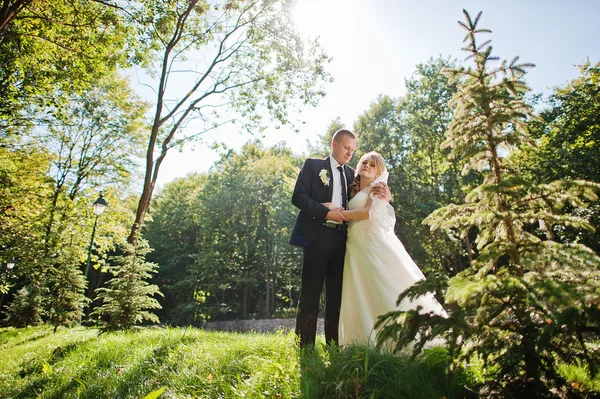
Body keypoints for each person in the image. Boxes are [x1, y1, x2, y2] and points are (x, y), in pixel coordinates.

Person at [289, 129, 391, 347]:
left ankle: (334, 345)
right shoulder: (313, 165)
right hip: (316, 237)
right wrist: (324, 211)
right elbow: (298, 197)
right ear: (334, 144)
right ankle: (304, 346)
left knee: (336, 297)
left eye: (353, 150)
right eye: (346, 148)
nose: (350, 153)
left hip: (343, 240)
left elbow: (371, 191)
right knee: (310, 293)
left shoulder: (352, 174)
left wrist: (387, 194)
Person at [336, 151, 447, 347]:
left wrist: (339, 214)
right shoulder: (352, 188)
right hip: (355, 245)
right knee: (361, 289)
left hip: (371, 243)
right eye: (364, 162)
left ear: (379, 172)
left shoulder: (378, 188)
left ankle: (402, 339)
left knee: (383, 284)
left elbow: (367, 213)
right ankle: (363, 341)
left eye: (372, 165)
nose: (367, 166)